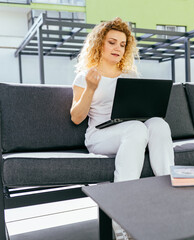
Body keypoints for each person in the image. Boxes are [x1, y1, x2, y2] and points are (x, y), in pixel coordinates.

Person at [70, 17, 175, 240]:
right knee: (136, 129)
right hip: (99, 134)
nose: (118, 48)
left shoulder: (129, 76)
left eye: (122, 44)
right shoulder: (86, 76)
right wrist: (90, 88)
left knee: (158, 124)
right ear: (100, 43)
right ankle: (123, 226)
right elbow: (77, 117)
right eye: (112, 42)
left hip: (130, 129)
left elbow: (140, 111)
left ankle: (170, 200)